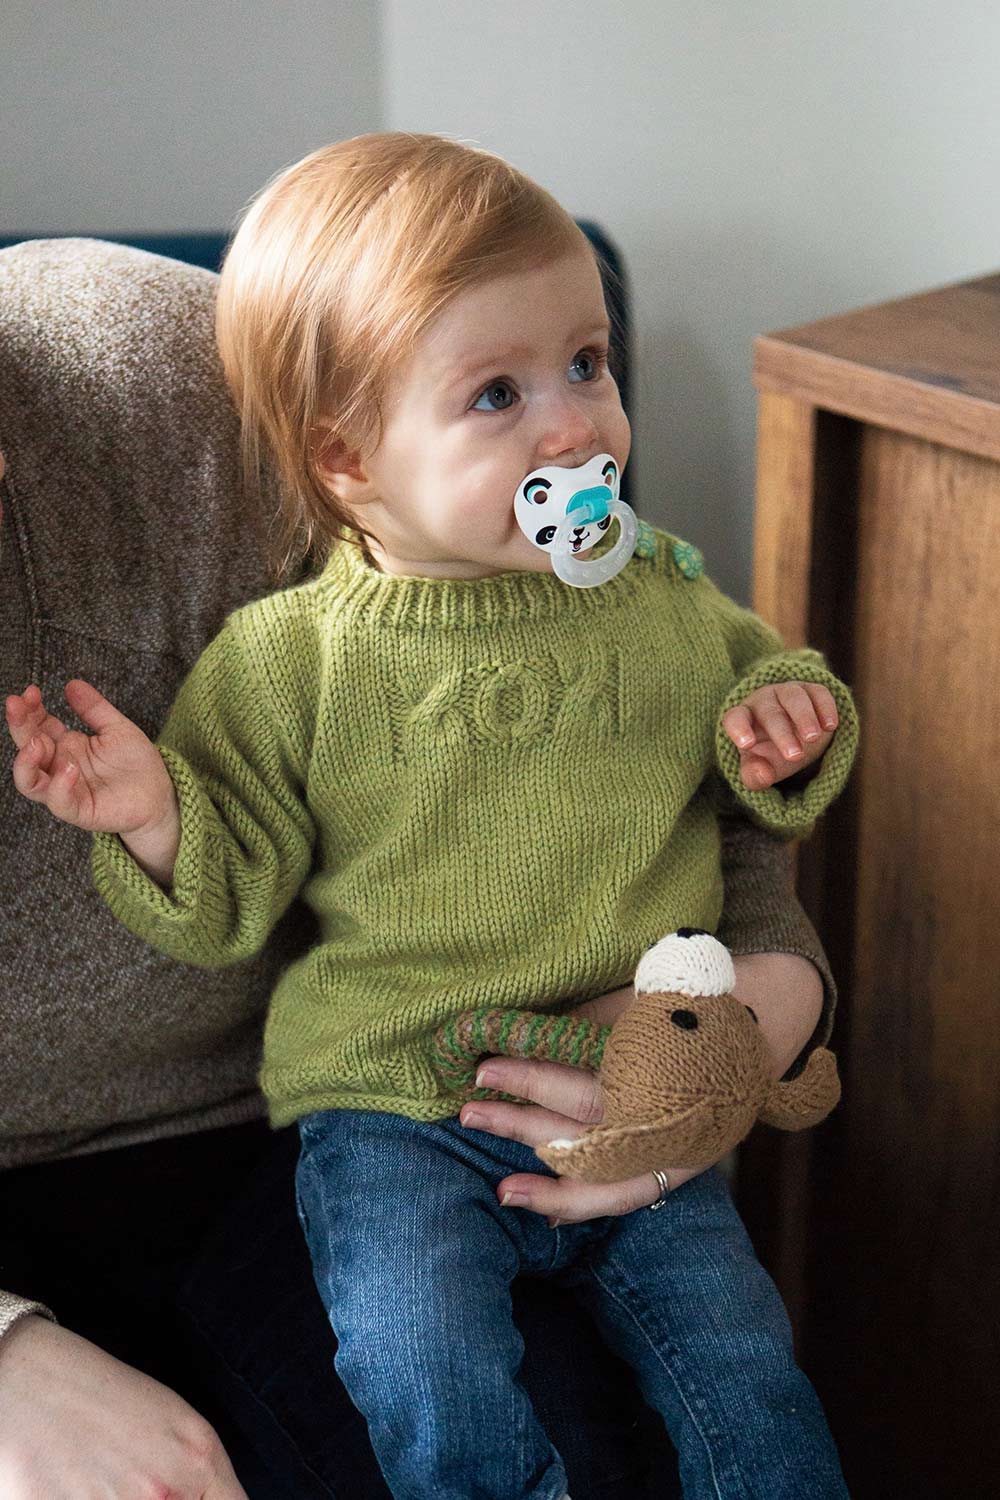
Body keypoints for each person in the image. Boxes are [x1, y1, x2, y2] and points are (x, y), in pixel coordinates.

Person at [3, 137, 856, 1500]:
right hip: (387, 1104)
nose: (575, 431)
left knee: (740, 1365)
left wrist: (785, 744)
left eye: (590, 364)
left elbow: (744, 755)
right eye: (501, 395)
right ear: (346, 458)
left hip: (585, 1090)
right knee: (425, 1364)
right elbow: (232, 882)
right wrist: (154, 813)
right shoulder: (293, 659)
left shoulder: (653, 592)